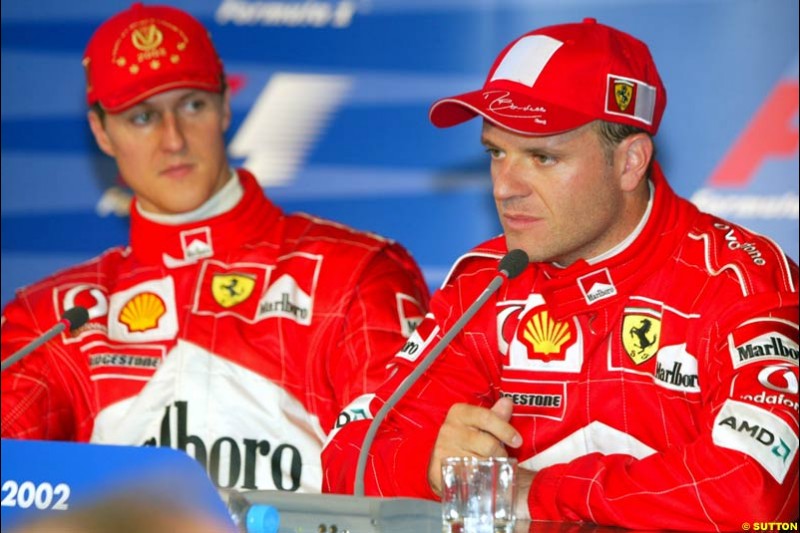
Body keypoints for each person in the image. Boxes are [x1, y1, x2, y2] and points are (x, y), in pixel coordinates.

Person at [321, 17, 799, 530]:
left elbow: (758, 497)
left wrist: (538, 492)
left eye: (542, 158)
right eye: (496, 152)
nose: (505, 187)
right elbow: (345, 460)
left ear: (630, 163)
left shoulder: (740, 281)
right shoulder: (485, 286)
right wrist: (427, 463)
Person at [0, 2, 430, 494]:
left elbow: (401, 478)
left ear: (225, 104)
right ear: (102, 132)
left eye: (192, 105)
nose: (174, 139)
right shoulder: (53, 317)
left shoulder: (353, 273)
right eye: (142, 117)